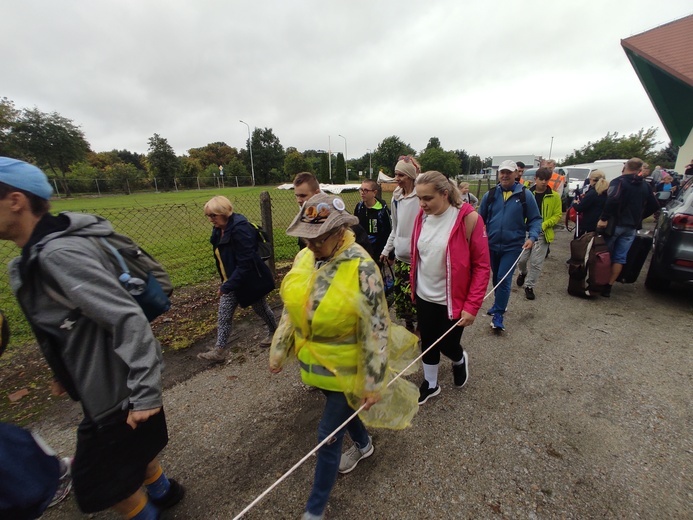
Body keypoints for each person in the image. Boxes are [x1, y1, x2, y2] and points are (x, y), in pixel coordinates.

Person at [0, 157, 183, 519]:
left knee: (97, 485)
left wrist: (145, 392)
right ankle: (164, 492)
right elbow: (69, 321)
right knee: (131, 454)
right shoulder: (45, 250)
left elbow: (126, 317)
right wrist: (62, 371)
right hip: (107, 380)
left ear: (16, 201)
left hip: (117, 388)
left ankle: (153, 507)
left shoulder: (58, 254)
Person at [270, 193, 419, 520]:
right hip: (316, 365)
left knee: (327, 436)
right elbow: (292, 306)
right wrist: (280, 347)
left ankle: (315, 509)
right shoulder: (306, 259)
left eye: (319, 238)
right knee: (342, 415)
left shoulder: (362, 267)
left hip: (349, 366)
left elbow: (377, 328)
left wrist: (371, 383)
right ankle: (364, 446)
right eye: (307, 238)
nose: (311, 245)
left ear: (340, 231)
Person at [409, 172, 490, 404]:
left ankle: (459, 358)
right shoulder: (421, 218)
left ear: (444, 194)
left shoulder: (469, 219)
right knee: (429, 341)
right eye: (419, 198)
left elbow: (482, 266)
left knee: (447, 344)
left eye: (428, 198)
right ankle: (431, 383)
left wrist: (472, 306)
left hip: (452, 299)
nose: (422, 204)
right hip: (425, 294)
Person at [198, 195, 277, 362]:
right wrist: (227, 281)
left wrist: (228, 285)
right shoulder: (219, 229)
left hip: (249, 280)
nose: (210, 219)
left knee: (260, 308)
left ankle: (275, 332)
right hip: (233, 279)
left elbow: (246, 262)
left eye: (213, 215)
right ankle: (219, 351)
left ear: (224, 213)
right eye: (208, 216)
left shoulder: (240, 229)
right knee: (224, 314)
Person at [479, 160, 542, 332]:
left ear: (516, 174)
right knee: (496, 277)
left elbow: (536, 219)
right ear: (499, 174)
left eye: (508, 172)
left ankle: (499, 314)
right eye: (502, 172)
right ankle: (498, 304)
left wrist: (533, 236)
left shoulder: (525, 195)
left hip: (513, 246)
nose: (505, 175)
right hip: (492, 245)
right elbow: (479, 219)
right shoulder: (490, 195)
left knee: (503, 278)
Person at [596, 157, 659, 297]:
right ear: (639, 169)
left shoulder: (619, 182)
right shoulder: (645, 185)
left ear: (625, 166)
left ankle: (598, 282)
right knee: (620, 257)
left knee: (604, 254)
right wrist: (639, 217)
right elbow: (654, 205)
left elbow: (612, 199)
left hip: (615, 224)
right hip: (631, 227)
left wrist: (604, 218)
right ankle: (609, 286)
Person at [380, 155, 421, 332]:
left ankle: (421, 326)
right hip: (401, 257)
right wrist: (386, 250)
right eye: (396, 174)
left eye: (401, 175)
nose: (397, 178)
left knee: (416, 296)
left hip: (418, 258)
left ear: (411, 176)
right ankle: (409, 325)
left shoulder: (420, 197)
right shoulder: (396, 198)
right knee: (402, 297)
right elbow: (395, 228)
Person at [293, 172, 373, 256]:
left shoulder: (340, 221)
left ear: (317, 193)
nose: (299, 200)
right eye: (297, 196)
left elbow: (364, 250)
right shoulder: (305, 219)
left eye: (303, 196)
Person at [515, 167, 563, 300]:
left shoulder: (554, 196)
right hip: (525, 231)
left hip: (542, 233)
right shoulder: (526, 193)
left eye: (546, 180)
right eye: (541, 179)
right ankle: (523, 272)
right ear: (535, 179)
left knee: (536, 262)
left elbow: (557, 214)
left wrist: (545, 224)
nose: (543, 182)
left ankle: (529, 286)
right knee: (522, 259)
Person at [353, 178, 392, 264]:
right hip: (361, 252)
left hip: (377, 254)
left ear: (374, 192)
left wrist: (390, 254)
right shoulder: (359, 207)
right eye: (361, 190)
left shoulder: (382, 211)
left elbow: (389, 232)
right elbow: (355, 228)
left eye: (366, 190)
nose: (362, 193)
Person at [570, 170, 608, 236]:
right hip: (604, 221)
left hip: (590, 223)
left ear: (592, 180)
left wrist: (575, 203)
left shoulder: (593, 192)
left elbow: (580, 208)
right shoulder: (607, 191)